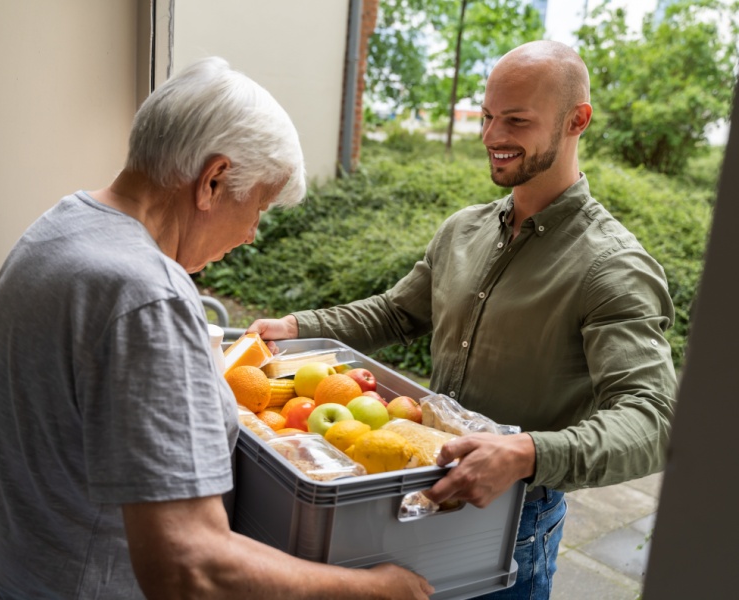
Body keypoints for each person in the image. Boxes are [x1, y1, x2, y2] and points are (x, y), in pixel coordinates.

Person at [0, 57, 433, 600]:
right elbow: (188, 567)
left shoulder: (57, 228)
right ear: (212, 180)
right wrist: (374, 590)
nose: (252, 234)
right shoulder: (148, 295)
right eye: (258, 205)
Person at [248, 40, 677, 599]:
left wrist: (527, 452)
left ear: (578, 120)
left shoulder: (612, 267)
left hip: (514, 524)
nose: (493, 137)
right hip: (412, 487)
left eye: (516, 120)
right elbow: (396, 313)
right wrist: (298, 328)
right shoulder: (462, 230)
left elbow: (654, 421)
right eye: (488, 116)